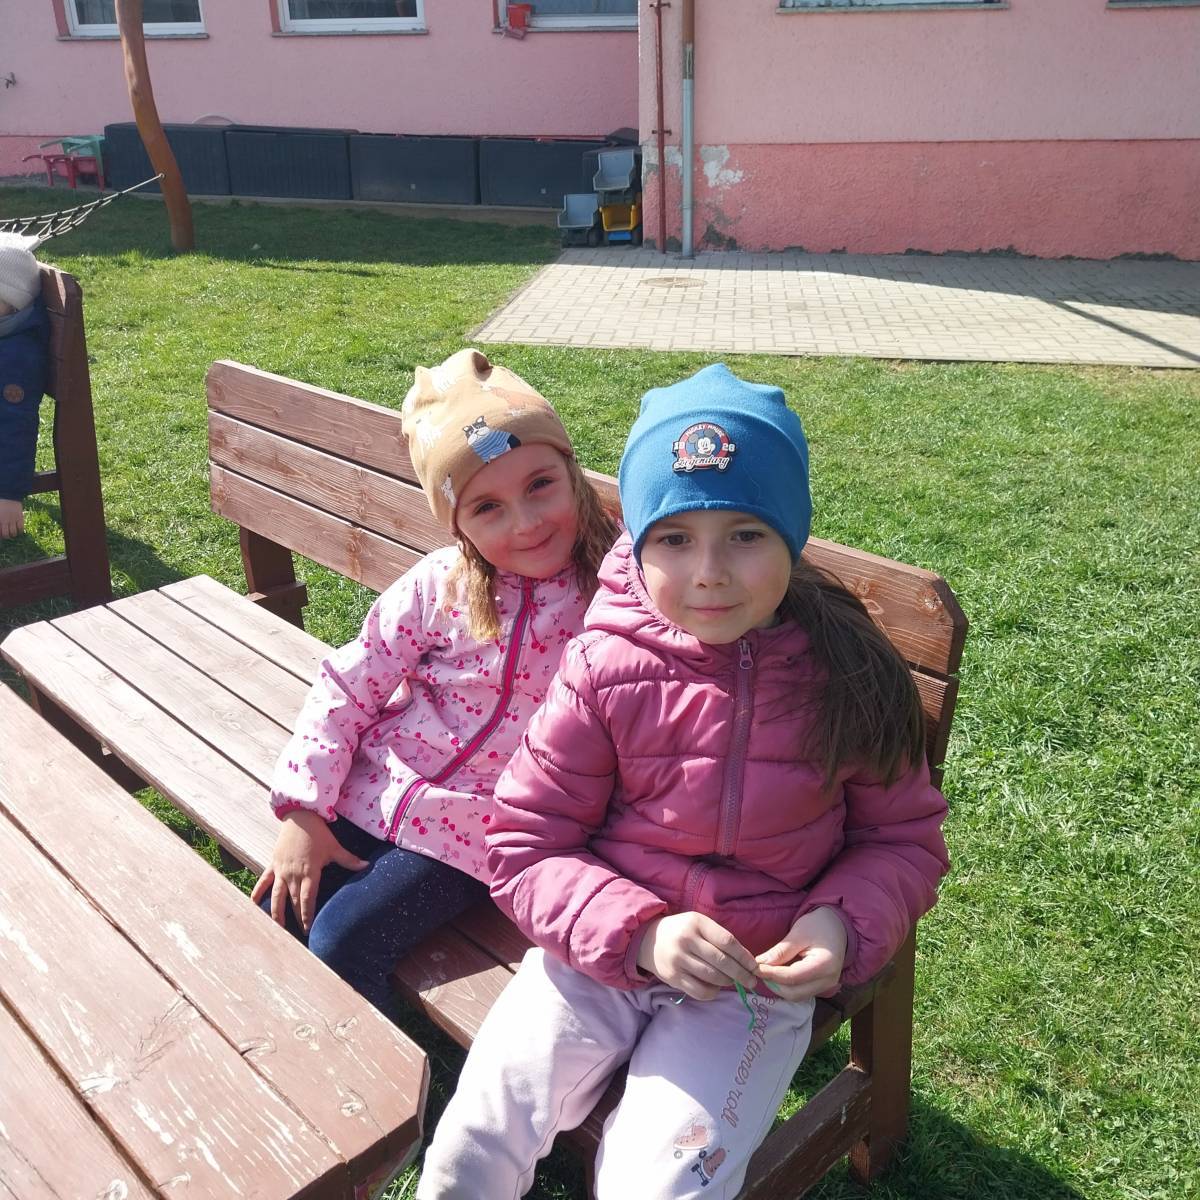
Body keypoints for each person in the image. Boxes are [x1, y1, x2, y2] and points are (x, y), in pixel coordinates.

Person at [417, 363, 950, 1200]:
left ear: (791, 535)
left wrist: (841, 923)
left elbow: (902, 839)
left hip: (750, 982)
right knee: (471, 1144)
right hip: (593, 955)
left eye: (746, 534)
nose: (709, 572)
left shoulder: (846, 674)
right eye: (674, 538)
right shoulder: (603, 667)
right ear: (636, 540)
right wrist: (638, 934)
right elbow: (524, 844)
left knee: (662, 1184)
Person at [251, 348, 620, 1012]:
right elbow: (348, 684)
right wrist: (304, 811)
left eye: (540, 485)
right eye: (488, 507)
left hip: (485, 825)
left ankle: (376, 1072)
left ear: (571, 472)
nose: (526, 522)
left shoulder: (618, 589)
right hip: (377, 785)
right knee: (279, 907)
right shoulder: (438, 584)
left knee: (341, 940)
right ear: (458, 526)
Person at [0, 234, 49, 540]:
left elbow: (15, 427)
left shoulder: (15, 357)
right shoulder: (7, 330)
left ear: (12, 304)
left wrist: (8, 494)